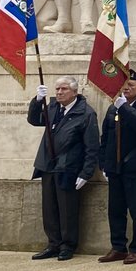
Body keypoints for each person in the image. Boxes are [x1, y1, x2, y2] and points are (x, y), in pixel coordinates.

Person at [27, 75, 99, 261]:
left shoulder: (85, 113)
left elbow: (92, 146)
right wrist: (37, 101)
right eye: (57, 89)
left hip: (69, 167)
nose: (59, 92)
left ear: (74, 92)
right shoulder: (51, 108)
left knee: (67, 210)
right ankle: (53, 243)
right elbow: (34, 120)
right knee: (49, 209)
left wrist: (86, 173)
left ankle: (67, 245)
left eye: (64, 89)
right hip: (48, 165)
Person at [96, 69, 136, 264]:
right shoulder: (113, 107)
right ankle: (118, 247)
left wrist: (124, 108)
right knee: (116, 209)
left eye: (131, 85)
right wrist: (104, 163)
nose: (126, 88)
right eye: (124, 85)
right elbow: (105, 137)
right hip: (115, 167)